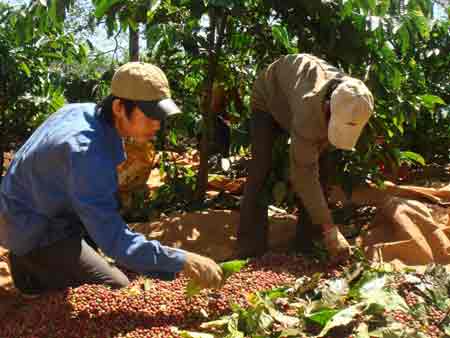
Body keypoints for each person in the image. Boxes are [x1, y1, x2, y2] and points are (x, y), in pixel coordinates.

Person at [0, 62, 223, 297]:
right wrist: (183, 261)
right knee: (117, 290)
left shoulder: (82, 111)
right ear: (118, 107)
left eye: (160, 115)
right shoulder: (88, 153)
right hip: (32, 230)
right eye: (149, 115)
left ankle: (36, 262)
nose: (157, 123)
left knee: (107, 249)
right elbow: (115, 240)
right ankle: (30, 271)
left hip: (21, 209)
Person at [238, 54, 374, 262]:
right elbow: (303, 172)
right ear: (328, 107)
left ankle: (307, 245)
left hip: (298, 98)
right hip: (269, 97)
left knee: (324, 170)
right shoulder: (308, 106)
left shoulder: (356, 100)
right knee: (261, 167)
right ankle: (250, 248)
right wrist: (330, 227)